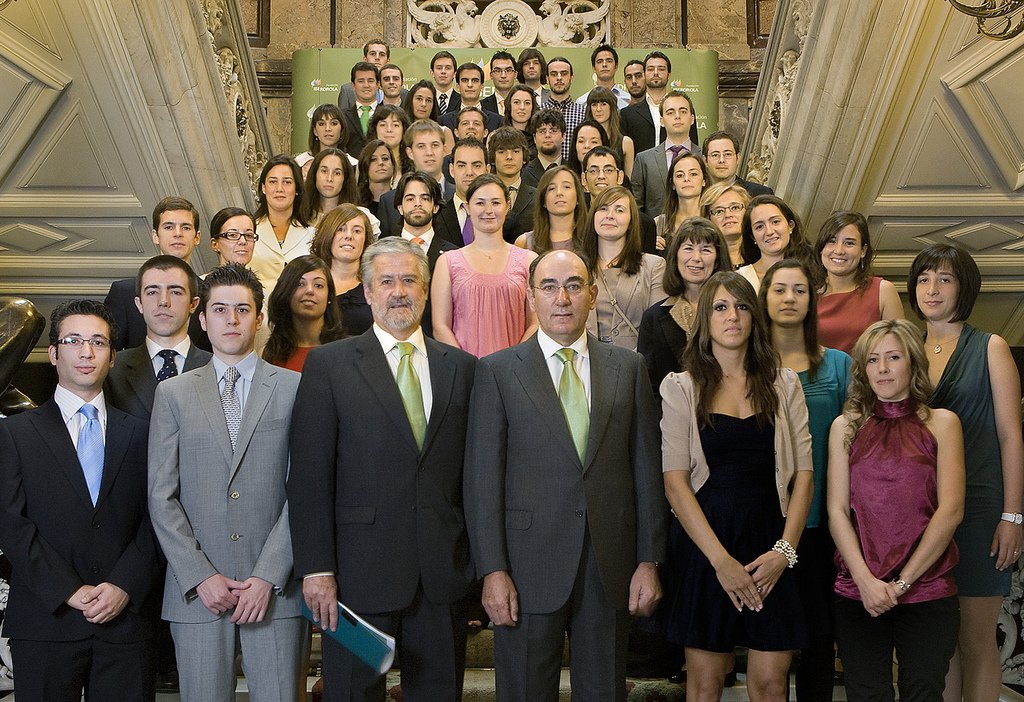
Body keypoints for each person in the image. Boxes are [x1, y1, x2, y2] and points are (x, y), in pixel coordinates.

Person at [465, 247, 667, 702]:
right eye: (550, 287)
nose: (563, 298)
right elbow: (482, 481)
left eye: (574, 285)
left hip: (610, 563)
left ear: (592, 295)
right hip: (525, 566)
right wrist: (492, 570)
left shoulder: (629, 367)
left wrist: (649, 559)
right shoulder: (497, 372)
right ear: (531, 297)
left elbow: (646, 470)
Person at [288, 237, 477, 701]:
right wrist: (315, 569)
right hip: (355, 583)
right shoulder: (329, 366)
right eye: (386, 281)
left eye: (409, 280)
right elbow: (309, 479)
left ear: (426, 289)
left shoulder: (463, 369)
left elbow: (474, 480)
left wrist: (477, 569)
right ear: (367, 293)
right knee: (352, 693)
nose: (398, 291)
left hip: (441, 580)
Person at [149, 263, 305, 702]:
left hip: (274, 592)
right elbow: (161, 497)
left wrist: (268, 574)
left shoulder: (295, 388)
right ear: (202, 319)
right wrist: (200, 575)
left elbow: (305, 492)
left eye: (242, 309)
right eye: (220, 309)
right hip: (199, 594)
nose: (231, 320)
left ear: (260, 318)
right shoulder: (173, 394)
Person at [660, 270, 813, 701]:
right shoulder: (680, 387)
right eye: (721, 307)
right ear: (705, 319)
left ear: (754, 318)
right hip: (705, 546)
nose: (733, 317)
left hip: (771, 542)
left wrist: (785, 552)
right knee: (705, 685)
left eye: (742, 306)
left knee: (769, 683)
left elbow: (804, 476)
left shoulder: (785, 385)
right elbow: (674, 484)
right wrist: (720, 561)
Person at [0, 299, 160, 701]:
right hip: (44, 621)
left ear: (112, 356)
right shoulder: (15, 434)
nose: (86, 352)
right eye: (73, 341)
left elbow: (159, 519)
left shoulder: (142, 433)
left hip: (126, 623)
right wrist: (67, 590)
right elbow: (10, 525)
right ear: (53, 353)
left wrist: (124, 585)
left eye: (98, 342)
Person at [907, 244, 1023, 702]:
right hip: (919, 511)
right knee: (939, 645)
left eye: (945, 279)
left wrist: (1013, 517)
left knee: (975, 639)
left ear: (964, 287)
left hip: (978, 508)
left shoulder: (990, 346)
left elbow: (1012, 436)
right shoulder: (905, 346)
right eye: (923, 279)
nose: (932, 289)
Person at [827, 319, 965, 702]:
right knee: (866, 694)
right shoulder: (845, 427)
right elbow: (837, 511)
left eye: (893, 357)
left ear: (913, 364)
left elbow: (950, 511)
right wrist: (867, 582)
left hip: (928, 587)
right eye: (873, 359)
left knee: (923, 693)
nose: (883, 368)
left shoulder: (942, 424)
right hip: (859, 590)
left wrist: (903, 583)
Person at [760, 258, 851, 702]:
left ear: (812, 301)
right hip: (765, 522)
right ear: (764, 299)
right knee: (770, 642)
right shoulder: (749, 365)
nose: (790, 298)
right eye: (779, 289)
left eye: (799, 290)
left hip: (822, 523)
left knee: (818, 638)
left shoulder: (838, 365)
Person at [432, 174, 538, 357]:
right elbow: (440, 327)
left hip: (516, 371)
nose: (488, 210)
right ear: (467, 208)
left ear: (507, 206)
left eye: (496, 203)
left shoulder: (529, 260)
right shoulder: (447, 262)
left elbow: (536, 323)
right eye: (480, 203)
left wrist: (513, 363)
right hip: (466, 374)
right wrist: (467, 366)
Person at [106, 255, 212, 421]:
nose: (163, 301)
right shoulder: (111, 370)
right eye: (152, 292)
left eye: (176, 292)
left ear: (194, 304)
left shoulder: (218, 368)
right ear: (139, 303)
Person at [637, 217, 731, 397]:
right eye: (688, 248)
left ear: (718, 258)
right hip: (670, 416)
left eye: (706, 250)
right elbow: (649, 385)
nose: (696, 258)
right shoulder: (654, 317)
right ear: (676, 255)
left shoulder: (734, 311)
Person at [105, 196, 203, 350]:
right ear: (155, 236)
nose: (178, 233)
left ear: (197, 237)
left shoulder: (210, 294)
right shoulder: (123, 293)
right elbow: (108, 354)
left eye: (186, 227)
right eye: (169, 227)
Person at [580, 186, 666, 351]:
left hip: (636, 362)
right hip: (586, 362)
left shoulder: (654, 266)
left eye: (619, 210)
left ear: (631, 221)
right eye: (603, 208)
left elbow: (657, 329)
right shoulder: (577, 267)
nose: (610, 215)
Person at [813, 210, 903, 354]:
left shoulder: (883, 291)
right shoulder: (805, 292)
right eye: (831, 241)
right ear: (821, 248)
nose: (839, 250)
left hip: (865, 375)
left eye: (849, 243)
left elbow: (900, 352)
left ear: (863, 251)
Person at [262, 255, 344, 372]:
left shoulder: (346, 351)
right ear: (286, 292)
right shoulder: (267, 355)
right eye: (300, 284)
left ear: (329, 296)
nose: (310, 291)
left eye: (318, 285)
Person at [631, 90, 701, 218]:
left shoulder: (705, 157)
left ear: (692, 119)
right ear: (662, 121)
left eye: (683, 111)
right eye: (671, 112)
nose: (677, 116)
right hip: (656, 234)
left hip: (699, 233)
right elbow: (636, 208)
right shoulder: (644, 160)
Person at [250, 155, 313, 298]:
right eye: (273, 182)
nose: (279, 188)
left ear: (297, 188)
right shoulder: (248, 231)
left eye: (287, 182)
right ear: (263, 188)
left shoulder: (313, 235)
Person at [312, 203, 375, 337]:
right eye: (341, 229)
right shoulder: (307, 282)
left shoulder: (375, 286)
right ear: (328, 234)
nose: (349, 236)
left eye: (357, 231)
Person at [299, 147, 381, 236]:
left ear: (345, 179)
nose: (329, 178)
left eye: (337, 173)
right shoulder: (299, 215)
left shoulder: (362, 218)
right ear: (314, 174)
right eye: (324, 171)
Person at [738, 193, 814, 290]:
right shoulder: (741, 278)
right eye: (759, 227)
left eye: (775, 222)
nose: (769, 231)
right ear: (753, 237)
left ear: (790, 225)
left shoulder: (814, 272)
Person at [515, 165, 588, 254]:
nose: (559, 193)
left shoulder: (592, 239)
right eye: (552, 188)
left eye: (566, 187)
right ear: (543, 200)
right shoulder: (525, 243)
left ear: (578, 197)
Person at [656, 152, 710, 251]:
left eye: (693, 174)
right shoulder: (658, 224)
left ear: (704, 181)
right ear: (673, 183)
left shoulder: (715, 220)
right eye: (680, 175)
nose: (686, 179)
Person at [488, 126, 537, 232]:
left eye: (515, 151)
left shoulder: (537, 197)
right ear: (492, 158)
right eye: (502, 152)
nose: (509, 157)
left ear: (524, 158)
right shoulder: (482, 196)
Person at [702, 131, 773, 196]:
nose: (721, 160)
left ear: (738, 158)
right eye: (715, 155)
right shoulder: (698, 194)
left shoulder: (760, 193)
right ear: (705, 160)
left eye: (728, 154)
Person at [542, 57, 585, 162]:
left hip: (575, 173)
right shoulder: (538, 111)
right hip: (544, 174)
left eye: (564, 73)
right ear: (547, 79)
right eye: (554, 74)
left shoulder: (584, 112)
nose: (559, 78)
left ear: (571, 78)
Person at [585, 87, 635, 176]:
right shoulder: (584, 142)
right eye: (594, 105)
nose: (598, 109)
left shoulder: (625, 143)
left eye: (603, 104)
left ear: (611, 107)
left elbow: (629, 181)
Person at [700, 182, 750, 268]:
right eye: (719, 211)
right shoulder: (702, 262)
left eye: (735, 208)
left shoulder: (763, 254)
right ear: (708, 219)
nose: (728, 215)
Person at [295, 103, 350, 177]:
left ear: (342, 129)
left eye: (333, 123)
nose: (327, 129)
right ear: (315, 131)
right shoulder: (300, 162)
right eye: (321, 124)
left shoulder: (353, 164)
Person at [340, 62, 381, 159]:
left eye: (370, 81)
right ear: (353, 85)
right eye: (361, 81)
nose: (366, 85)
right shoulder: (341, 116)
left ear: (378, 84)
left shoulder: (388, 115)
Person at [401, 80, 455, 153]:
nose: (423, 104)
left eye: (428, 100)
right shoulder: (400, 131)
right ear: (411, 101)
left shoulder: (444, 132)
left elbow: (450, 161)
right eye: (419, 99)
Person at [576, 44, 630, 109]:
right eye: (600, 62)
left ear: (616, 66)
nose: (604, 65)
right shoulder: (582, 102)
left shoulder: (628, 100)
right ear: (594, 68)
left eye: (609, 61)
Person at [521, 108, 565, 187]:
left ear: (563, 136)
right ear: (534, 138)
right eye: (542, 131)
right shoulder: (523, 173)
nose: (547, 135)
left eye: (553, 131)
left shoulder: (574, 171)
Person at [367, 104, 411, 181]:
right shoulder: (365, 161)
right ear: (375, 129)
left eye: (395, 125)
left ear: (403, 130)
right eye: (383, 125)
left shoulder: (413, 162)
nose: (389, 129)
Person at [356, 138, 396, 220]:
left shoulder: (401, 202)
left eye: (385, 158)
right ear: (365, 167)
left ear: (393, 165)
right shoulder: (355, 205)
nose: (381, 163)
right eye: (373, 159)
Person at [481, 51, 518, 116]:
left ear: (515, 74)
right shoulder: (481, 107)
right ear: (491, 75)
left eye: (508, 70)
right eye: (497, 71)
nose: (503, 75)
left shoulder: (524, 105)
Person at [430, 50, 459, 115]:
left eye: (448, 68)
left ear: (455, 73)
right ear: (432, 73)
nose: (443, 72)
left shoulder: (462, 100)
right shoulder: (426, 100)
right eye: (439, 68)